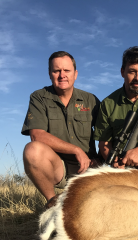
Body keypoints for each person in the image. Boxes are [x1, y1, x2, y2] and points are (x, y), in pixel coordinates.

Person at [22, 51, 100, 202]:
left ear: (75, 74)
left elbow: (106, 134)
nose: (62, 75)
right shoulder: (39, 97)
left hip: (88, 166)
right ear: (50, 74)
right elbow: (36, 135)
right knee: (32, 150)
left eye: (67, 70)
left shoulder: (90, 100)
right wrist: (75, 150)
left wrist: (99, 159)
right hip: (58, 167)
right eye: (56, 71)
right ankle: (53, 202)